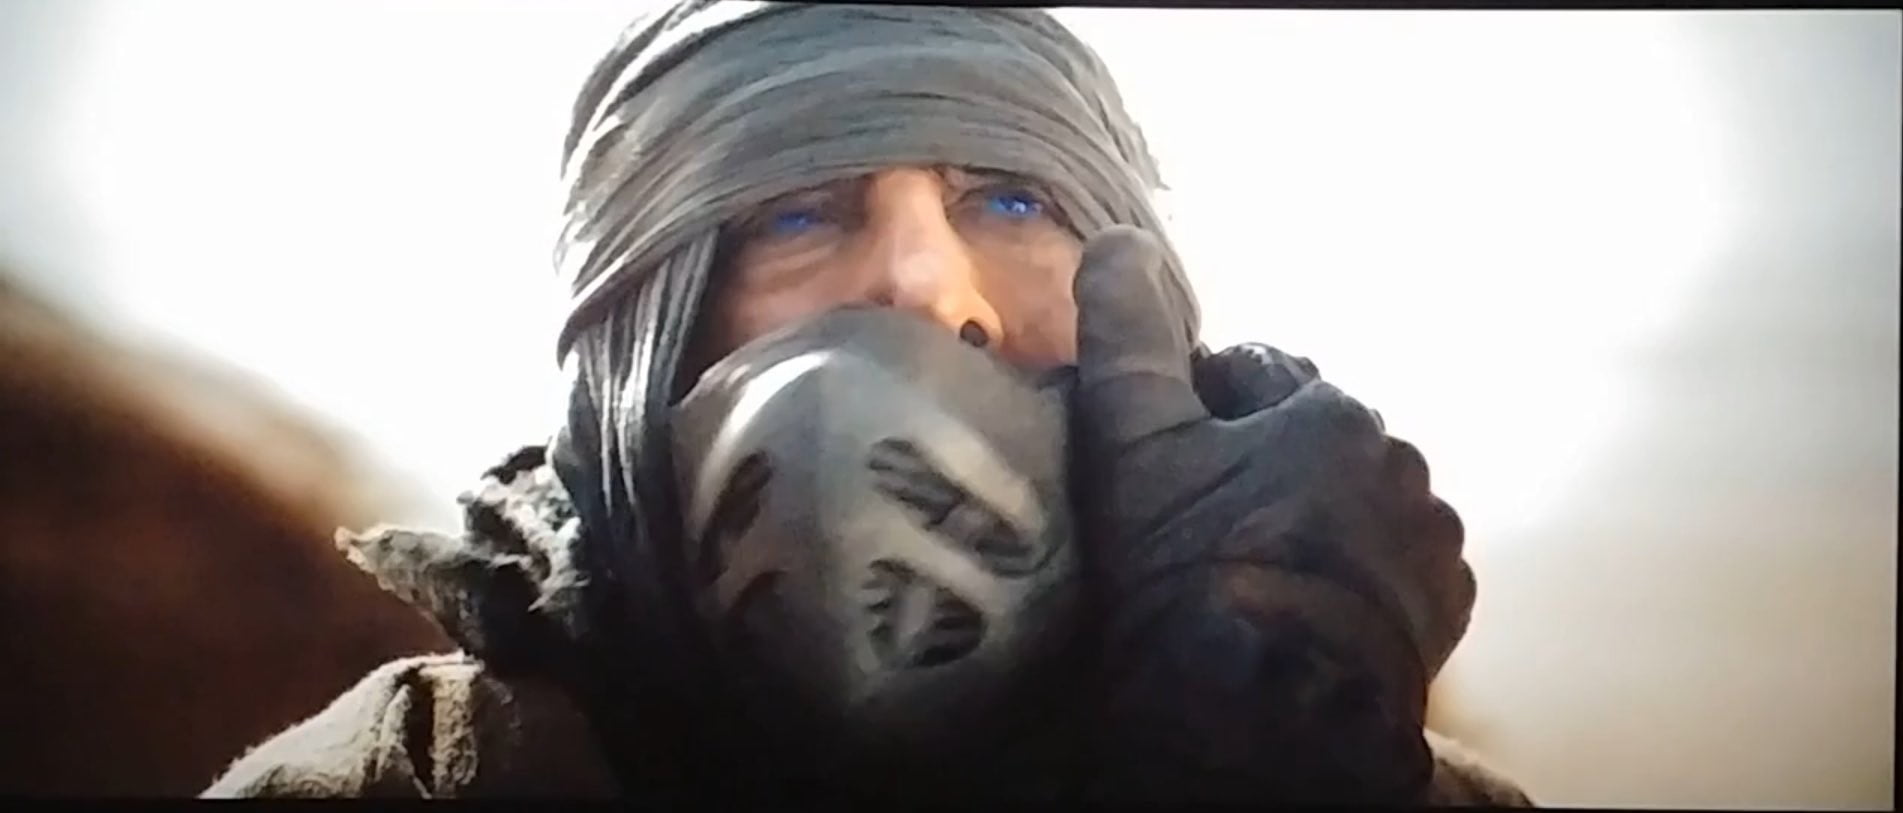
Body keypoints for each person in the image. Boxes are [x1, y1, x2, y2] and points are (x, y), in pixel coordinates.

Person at [203, 1, 1531, 803]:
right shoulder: (396, 781)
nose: (923, 286)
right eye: (797, 213)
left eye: (1009, 200)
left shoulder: (1372, 781)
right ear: (642, 347)